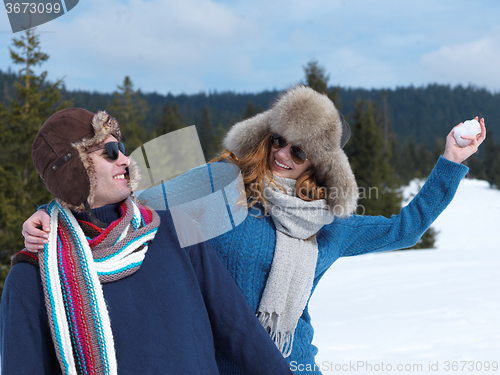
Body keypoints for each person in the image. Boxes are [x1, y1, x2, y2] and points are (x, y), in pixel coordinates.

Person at [21, 86, 486, 375]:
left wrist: (450, 162)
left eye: (299, 152)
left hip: (291, 366)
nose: (283, 154)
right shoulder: (222, 190)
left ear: (318, 163)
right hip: (216, 365)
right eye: (279, 140)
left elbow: (405, 228)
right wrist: (50, 211)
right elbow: (124, 199)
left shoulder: (329, 228)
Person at [0, 108, 295, 375]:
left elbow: (240, 329)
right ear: (73, 168)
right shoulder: (33, 276)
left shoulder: (173, 229)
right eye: (110, 151)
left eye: (123, 148)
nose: (126, 160)